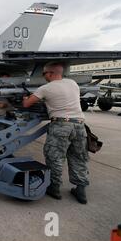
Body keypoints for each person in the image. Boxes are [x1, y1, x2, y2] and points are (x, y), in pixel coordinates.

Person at [22, 62, 89, 204]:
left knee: (55, 158)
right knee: (78, 157)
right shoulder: (73, 83)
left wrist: (25, 98)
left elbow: (27, 104)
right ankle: (80, 190)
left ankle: (54, 188)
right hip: (79, 125)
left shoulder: (46, 88)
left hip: (60, 125)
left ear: (51, 73)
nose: (44, 76)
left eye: (44, 73)